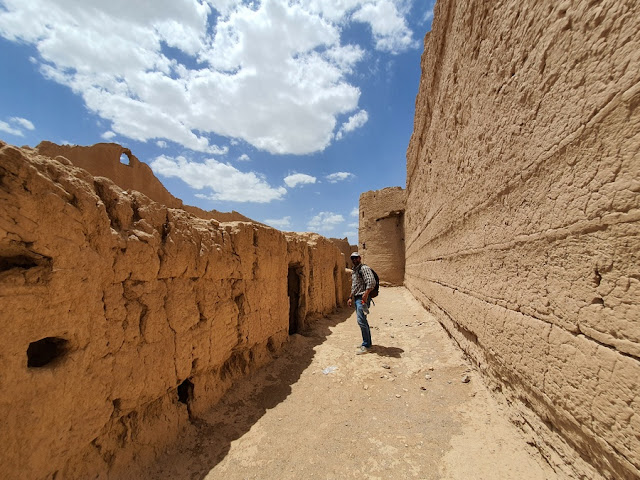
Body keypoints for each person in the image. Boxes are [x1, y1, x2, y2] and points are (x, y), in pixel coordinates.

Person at [347, 252, 376, 354]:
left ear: (360, 258)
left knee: (361, 320)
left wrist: (366, 294)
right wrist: (350, 297)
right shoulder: (355, 270)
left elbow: (371, 281)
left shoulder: (364, 268)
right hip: (357, 298)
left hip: (363, 298)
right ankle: (367, 342)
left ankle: (366, 345)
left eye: (356, 258)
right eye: (352, 258)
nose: (354, 260)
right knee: (362, 320)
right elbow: (354, 286)